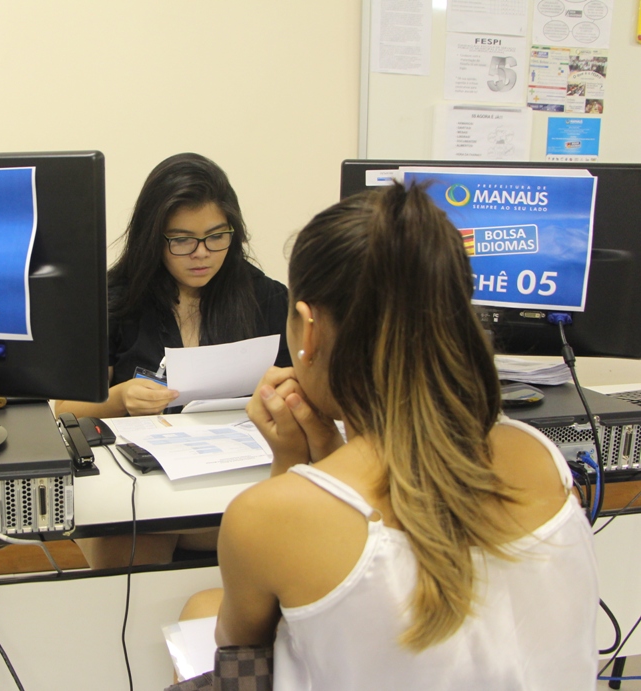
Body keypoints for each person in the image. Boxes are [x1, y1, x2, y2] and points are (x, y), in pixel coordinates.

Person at [177, 182, 598, 689]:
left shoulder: (267, 516)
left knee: (201, 613)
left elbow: (241, 657)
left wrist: (292, 472)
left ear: (308, 331)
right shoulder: (540, 455)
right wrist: (327, 461)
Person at [56, 152, 291, 567]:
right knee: (138, 543)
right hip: (145, 480)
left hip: (236, 473)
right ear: (153, 238)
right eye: (181, 240)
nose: (201, 253)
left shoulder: (266, 298)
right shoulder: (115, 299)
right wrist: (120, 398)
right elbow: (64, 410)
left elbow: (300, 387)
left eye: (217, 236)